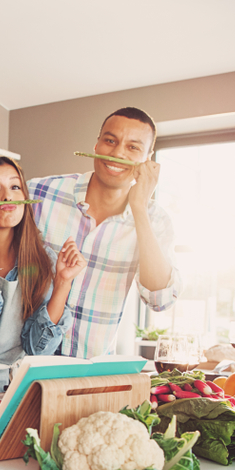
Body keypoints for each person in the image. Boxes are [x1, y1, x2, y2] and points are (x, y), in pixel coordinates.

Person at [28, 107, 181, 359]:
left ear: (147, 158)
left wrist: (139, 208)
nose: (118, 152)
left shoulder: (156, 220)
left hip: (91, 376)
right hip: (26, 366)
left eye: (133, 147)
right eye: (110, 141)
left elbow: (160, 299)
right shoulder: (39, 193)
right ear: (97, 144)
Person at [0, 156, 85, 391]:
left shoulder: (43, 261)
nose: (7, 196)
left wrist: (63, 283)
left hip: (17, 390)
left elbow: (39, 350)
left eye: (15, 187)